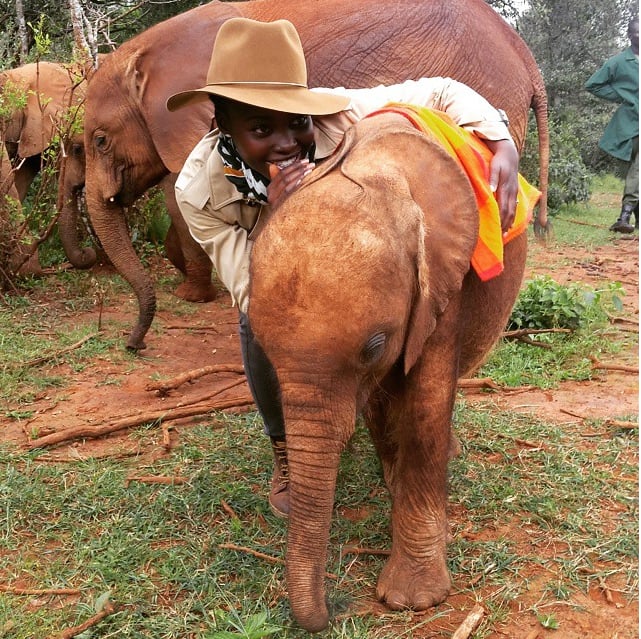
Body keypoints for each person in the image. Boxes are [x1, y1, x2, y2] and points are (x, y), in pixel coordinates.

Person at [166, 17, 520, 518]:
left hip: (359, 267)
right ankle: (288, 448)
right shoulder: (199, 192)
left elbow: (440, 91)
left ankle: (416, 423)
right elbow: (250, 288)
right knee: (260, 323)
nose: (287, 142)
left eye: (297, 122)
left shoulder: (340, 113)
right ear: (224, 125)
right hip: (280, 287)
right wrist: (277, 215)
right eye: (261, 129)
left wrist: (499, 137)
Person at [585, 16, 639, 233]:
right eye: (637, 32)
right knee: (636, 172)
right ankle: (626, 217)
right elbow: (593, 85)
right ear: (629, 35)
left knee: (637, 172)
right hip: (630, 126)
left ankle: (625, 216)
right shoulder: (619, 61)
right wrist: (621, 95)